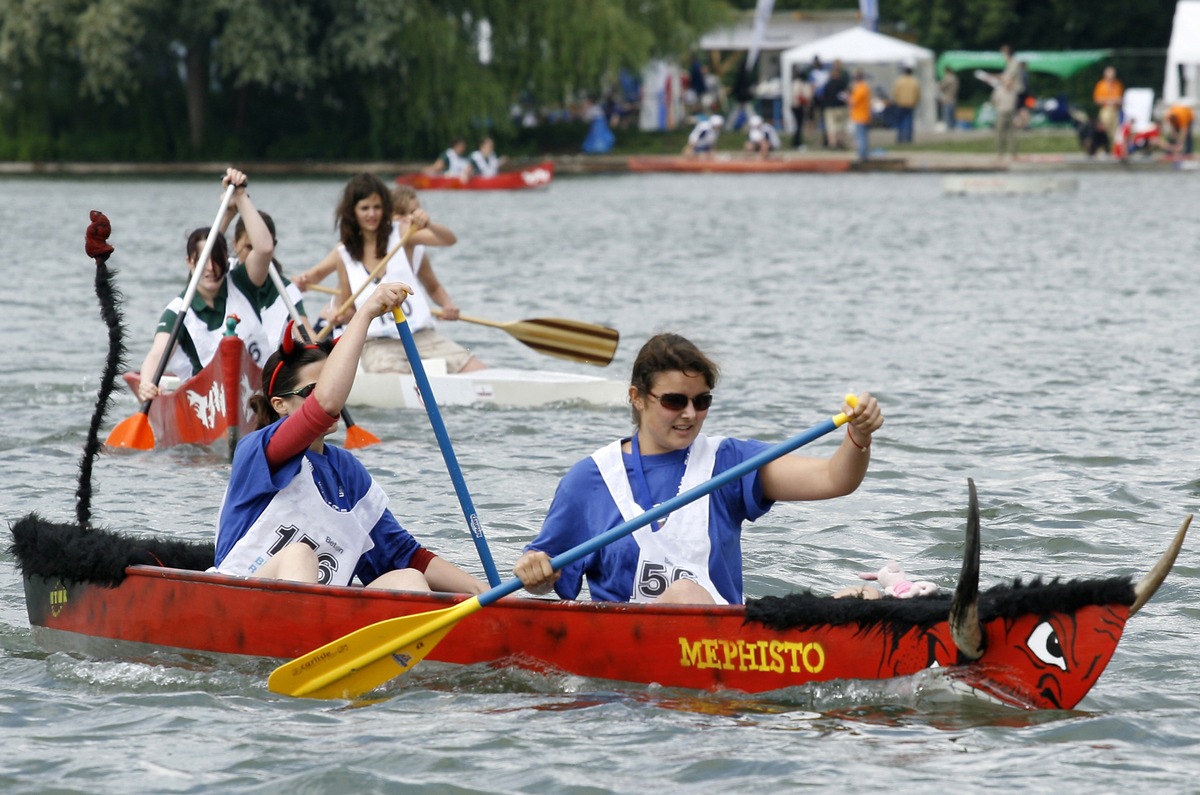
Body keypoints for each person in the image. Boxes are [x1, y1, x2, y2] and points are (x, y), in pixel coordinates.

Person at [512, 333, 884, 606]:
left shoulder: (729, 461)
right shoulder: (588, 480)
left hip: (726, 645)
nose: (690, 414)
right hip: (629, 655)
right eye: (675, 401)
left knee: (867, 596)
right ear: (637, 398)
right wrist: (535, 572)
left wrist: (858, 436)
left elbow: (835, 479)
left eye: (701, 401)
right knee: (684, 594)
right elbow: (545, 580)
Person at [213, 280, 489, 594]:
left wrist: (485, 592)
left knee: (410, 578)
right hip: (237, 602)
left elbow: (405, 554)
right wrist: (366, 313)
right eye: (310, 391)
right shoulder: (259, 451)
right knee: (300, 554)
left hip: (323, 621)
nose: (333, 395)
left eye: (332, 381)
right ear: (280, 404)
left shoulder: (347, 472)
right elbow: (324, 407)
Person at [295, 173, 483, 374]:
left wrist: (429, 224)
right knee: (394, 376)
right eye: (365, 208)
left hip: (421, 336)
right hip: (377, 343)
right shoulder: (344, 254)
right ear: (353, 212)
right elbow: (348, 307)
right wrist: (337, 315)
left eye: (377, 207)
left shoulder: (402, 233)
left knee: (477, 369)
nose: (372, 214)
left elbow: (449, 240)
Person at [137, 168, 275, 401]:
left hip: (258, 396)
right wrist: (145, 383)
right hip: (206, 402)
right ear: (189, 263)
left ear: (226, 259)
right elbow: (157, 354)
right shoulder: (178, 311)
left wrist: (241, 197)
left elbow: (264, 248)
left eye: (217, 260)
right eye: (201, 261)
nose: (210, 268)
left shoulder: (243, 283)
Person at [222, 208, 315, 347]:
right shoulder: (219, 278)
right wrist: (227, 215)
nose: (255, 255)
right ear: (235, 244)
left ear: (271, 248)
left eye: (259, 248)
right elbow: (205, 255)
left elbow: (307, 336)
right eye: (249, 247)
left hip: (267, 365)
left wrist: (318, 351)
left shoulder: (286, 291)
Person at [986, 44, 1022, 159]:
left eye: (1003, 53)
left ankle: (1008, 154)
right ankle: (1005, 153)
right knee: (1005, 130)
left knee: (1006, 129)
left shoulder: (1014, 64)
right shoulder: (1010, 65)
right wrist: (992, 77)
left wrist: (994, 78)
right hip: (1006, 99)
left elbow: (1007, 80)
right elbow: (1004, 77)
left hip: (1009, 100)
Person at [822, 60, 850, 150]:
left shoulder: (828, 84)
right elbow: (846, 95)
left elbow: (823, 95)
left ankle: (833, 144)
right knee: (841, 126)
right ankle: (841, 142)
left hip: (830, 108)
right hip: (841, 107)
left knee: (831, 127)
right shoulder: (843, 83)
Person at [1093, 66, 1124, 146]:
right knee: (1104, 129)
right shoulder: (1101, 85)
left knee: (1116, 130)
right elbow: (1097, 99)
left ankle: (1115, 149)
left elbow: (1121, 98)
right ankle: (1103, 147)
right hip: (1105, 109)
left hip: (1116, 110)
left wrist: (1117, 101)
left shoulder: (1118, 84)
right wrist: (1108, 101)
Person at [891, 65, 920, 144]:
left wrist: (896, 100)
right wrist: (916, 101)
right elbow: (917, 93)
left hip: (900, 103)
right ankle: (908, 138)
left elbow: (895, 92)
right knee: (909, 121)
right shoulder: (914, 81)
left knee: (900, 121)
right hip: (911, 103)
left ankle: (900, 138)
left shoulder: (899, 81)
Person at [849, 69, 873, 162]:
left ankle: (862, 154)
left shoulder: (860, 89)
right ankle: (864, 153)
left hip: (860, 116)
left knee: (860, 136)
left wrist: (848, 97)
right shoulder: (865, 87)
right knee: (864, 136)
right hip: (864, 114)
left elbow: (853, 102)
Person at [790, 67, 813, 149]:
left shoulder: (795, 83)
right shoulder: (801, 84)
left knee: (798, 126)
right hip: (798, 107)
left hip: (796, 106)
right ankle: (797, 143)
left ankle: (796, 142)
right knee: (799, 126)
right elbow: (804, 97)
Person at [938, 66, 959, 131]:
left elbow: (941, 87)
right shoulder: (955, 78)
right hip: (953, 99)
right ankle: (953, 129)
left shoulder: (948, 78)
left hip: (947, 99)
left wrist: (938, 84)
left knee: (947, 116)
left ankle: (949, 131)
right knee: (952, 116)